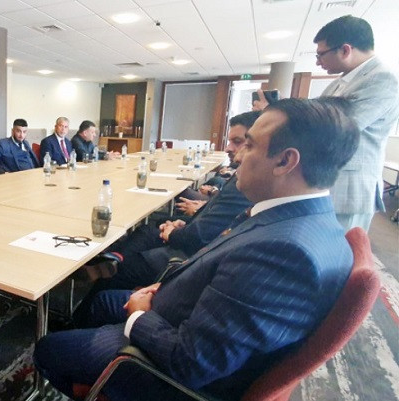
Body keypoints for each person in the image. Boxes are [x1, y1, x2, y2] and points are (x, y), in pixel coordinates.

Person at [34, 97, 360, 401]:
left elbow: (191, 363)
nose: (237, 155)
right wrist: (166, 284)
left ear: (286, 160)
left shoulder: (284, 252)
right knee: (103, 300)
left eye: (249, 144)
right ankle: (88, 344)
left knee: (47, 349)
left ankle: (94, 372)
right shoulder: (301, 221)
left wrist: (138, 316)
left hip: (165, 368)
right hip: (185, 313)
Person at [73, 111, 258, 323]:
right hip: (191, 238)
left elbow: (199, 235)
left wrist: (173, 232)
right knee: (146, 228)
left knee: (119, 272)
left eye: (238, 142)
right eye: (230, 141)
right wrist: (182, 222)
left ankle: (80, 317)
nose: (228, 148)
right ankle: (114, 258)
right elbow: (210, 221)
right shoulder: (242, 182)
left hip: (182, 256)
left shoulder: (243, 187)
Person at [254, 15, 399, 231]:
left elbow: (331, 127)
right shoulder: (342, 81)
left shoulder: (382, 80)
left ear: (345, 50)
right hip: (327, 183)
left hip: (348, 190)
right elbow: (314, 113)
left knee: (336, 254)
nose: (317, 61)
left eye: (321, 54)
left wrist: (271, 113)